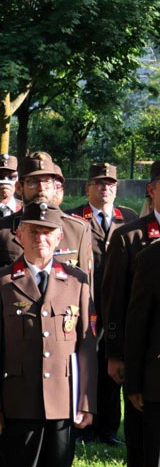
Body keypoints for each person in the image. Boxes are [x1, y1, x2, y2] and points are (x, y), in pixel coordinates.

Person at [0, 202, 96, 467]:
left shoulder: (77, 281)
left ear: (59, 236)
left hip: (63, 399)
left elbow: (86, 346)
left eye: (47, 231)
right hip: (16, 400)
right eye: (32, 230)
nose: (40, 237)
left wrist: (85, 399)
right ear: (19, 235)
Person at [100, 159, 160, 467]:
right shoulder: (131, 236)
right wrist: (116, 354)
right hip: (141, 359)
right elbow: (115, 302)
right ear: (152, 189)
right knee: (142, 448)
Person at [0, 152, 93, 322]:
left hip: (62, 333)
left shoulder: (77, 230)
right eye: (34, 182)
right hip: (14, 331)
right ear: (19, 187)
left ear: (55, 186)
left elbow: (86, 294)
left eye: (47, 182)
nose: (42, 189)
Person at [64, 163, 137, 445]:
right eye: (98, 183)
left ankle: (107, 428)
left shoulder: (128, 218)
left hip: (117, 305)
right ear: (87, 188)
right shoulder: (74, 219)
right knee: (84, 365)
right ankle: (81, 426)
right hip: (85, 303)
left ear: (117, 189)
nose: (104, 188)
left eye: (110, 184)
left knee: (112, 363)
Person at [124, 237, 160, 467]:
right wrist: (134, 383)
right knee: (156, 465)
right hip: (158, 383)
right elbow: (137, 325)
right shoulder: (151, 259)